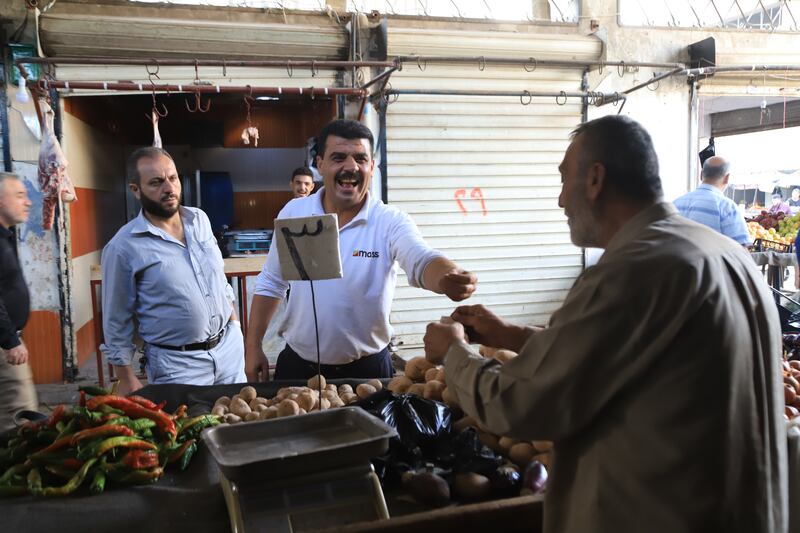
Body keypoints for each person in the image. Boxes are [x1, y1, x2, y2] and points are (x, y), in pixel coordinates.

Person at [423, 116, 787, 533]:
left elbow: (520, 404)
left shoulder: (634, 269)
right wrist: (512, 335)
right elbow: (637, 354)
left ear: (595, 179)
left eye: (564, 180)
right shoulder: (723, 253)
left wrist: (454, 353)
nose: (560, 200)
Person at [246, 119, 477, 381]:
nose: (351, 166)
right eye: (339, 157)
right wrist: (253, 347)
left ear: (372, 166)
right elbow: (271, 283)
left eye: (360, 158)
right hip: (298, 369)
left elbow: (421, 258)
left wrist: (448, 277)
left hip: (368, 373)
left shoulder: (389, 221)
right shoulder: (295, 213)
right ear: (320, 165)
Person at [101, 147, 245, 395]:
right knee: (192, 432)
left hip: (229, 351)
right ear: (135, 190)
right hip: (178, 365)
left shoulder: (199, 219)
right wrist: (126, 377)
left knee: (238, 427)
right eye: (156, 182)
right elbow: (116, 318)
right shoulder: (124, 247)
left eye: (173, 178)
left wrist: (235, 325)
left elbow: (219, 280)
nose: (169, 188)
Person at [0, 172, 37, 432]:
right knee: (19, 417)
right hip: (4, 345)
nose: (28, 202)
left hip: (7, 340)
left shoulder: (6, 235)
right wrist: (10, 340)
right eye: (20, 195)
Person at [672, 156, 750, 246]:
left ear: (701, 175)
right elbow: (741, 251)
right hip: (710, 260)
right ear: (727, 178)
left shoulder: (676, 203)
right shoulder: (727, 207)